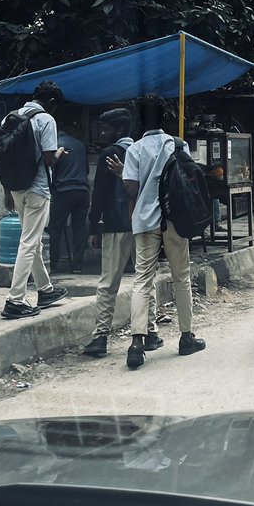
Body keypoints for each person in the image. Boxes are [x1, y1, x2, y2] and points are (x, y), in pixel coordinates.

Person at [122, 96, 205, 370]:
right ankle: (186, 337)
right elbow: (189, 179)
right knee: (181, 277)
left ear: (139, 121)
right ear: (164, 118)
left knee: (142, 280)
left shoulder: (134, 149)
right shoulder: (176, 144)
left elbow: (131, 189)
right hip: (174, 220)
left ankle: (137, 343)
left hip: (145, 221)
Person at [82, 108, 159, 359]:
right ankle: (151, 331)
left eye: (106, 129)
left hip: (115, 225)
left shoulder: (109, 154)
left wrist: (94, 226)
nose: (102, 133)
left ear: (118, 130)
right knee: (145, 279)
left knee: (108, 282)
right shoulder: (142, 151)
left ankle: (101, 336)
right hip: (143, 224)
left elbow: (100, 194)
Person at [0, 81, 69, 319]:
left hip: (16, 188)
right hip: (38, 188)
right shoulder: (45, 120)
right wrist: (60, 152)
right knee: (29, 242)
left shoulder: (11, 117)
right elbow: (49, 159)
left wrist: (7, 191)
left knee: (34, 241)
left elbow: (3, 158)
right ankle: (15, 300)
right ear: (51, 102)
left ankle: (45, 290)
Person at [48, 117, 90, 274]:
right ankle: (77, 266)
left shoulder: (54, 145)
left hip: (64, 190)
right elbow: (85, 170)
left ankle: (53, 265)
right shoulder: (80, 145)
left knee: (55, 228)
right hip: (83, 191)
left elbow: (51, 169)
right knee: (79, 228)